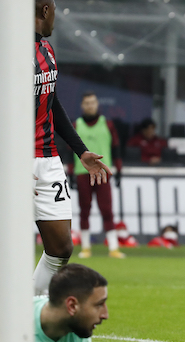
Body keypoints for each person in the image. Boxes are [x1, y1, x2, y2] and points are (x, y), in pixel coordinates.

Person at [0, 0, 112, 308]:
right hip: (11, 161)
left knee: (61, 246)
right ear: (46, 10)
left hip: (47, 158)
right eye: (56, 12)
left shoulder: (46, 49)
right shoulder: (7, 50)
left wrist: (81, 151)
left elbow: (52, 105)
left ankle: (27, 314)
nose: (56, 20)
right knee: (8, 249)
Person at [72, 92, 125, 259]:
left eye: (93, 102)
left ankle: (114, 247)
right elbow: (68, 149)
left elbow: (116, 146)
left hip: (103, 172)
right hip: (82, 173)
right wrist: (69, 171)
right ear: (82, 105)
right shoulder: (76, 125)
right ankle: (85, 247)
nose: (90, 106)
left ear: (97, 104)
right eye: (87, 103)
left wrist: (118, 169)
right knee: (84, 210)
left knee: (106, 210)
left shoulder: (107, 124)